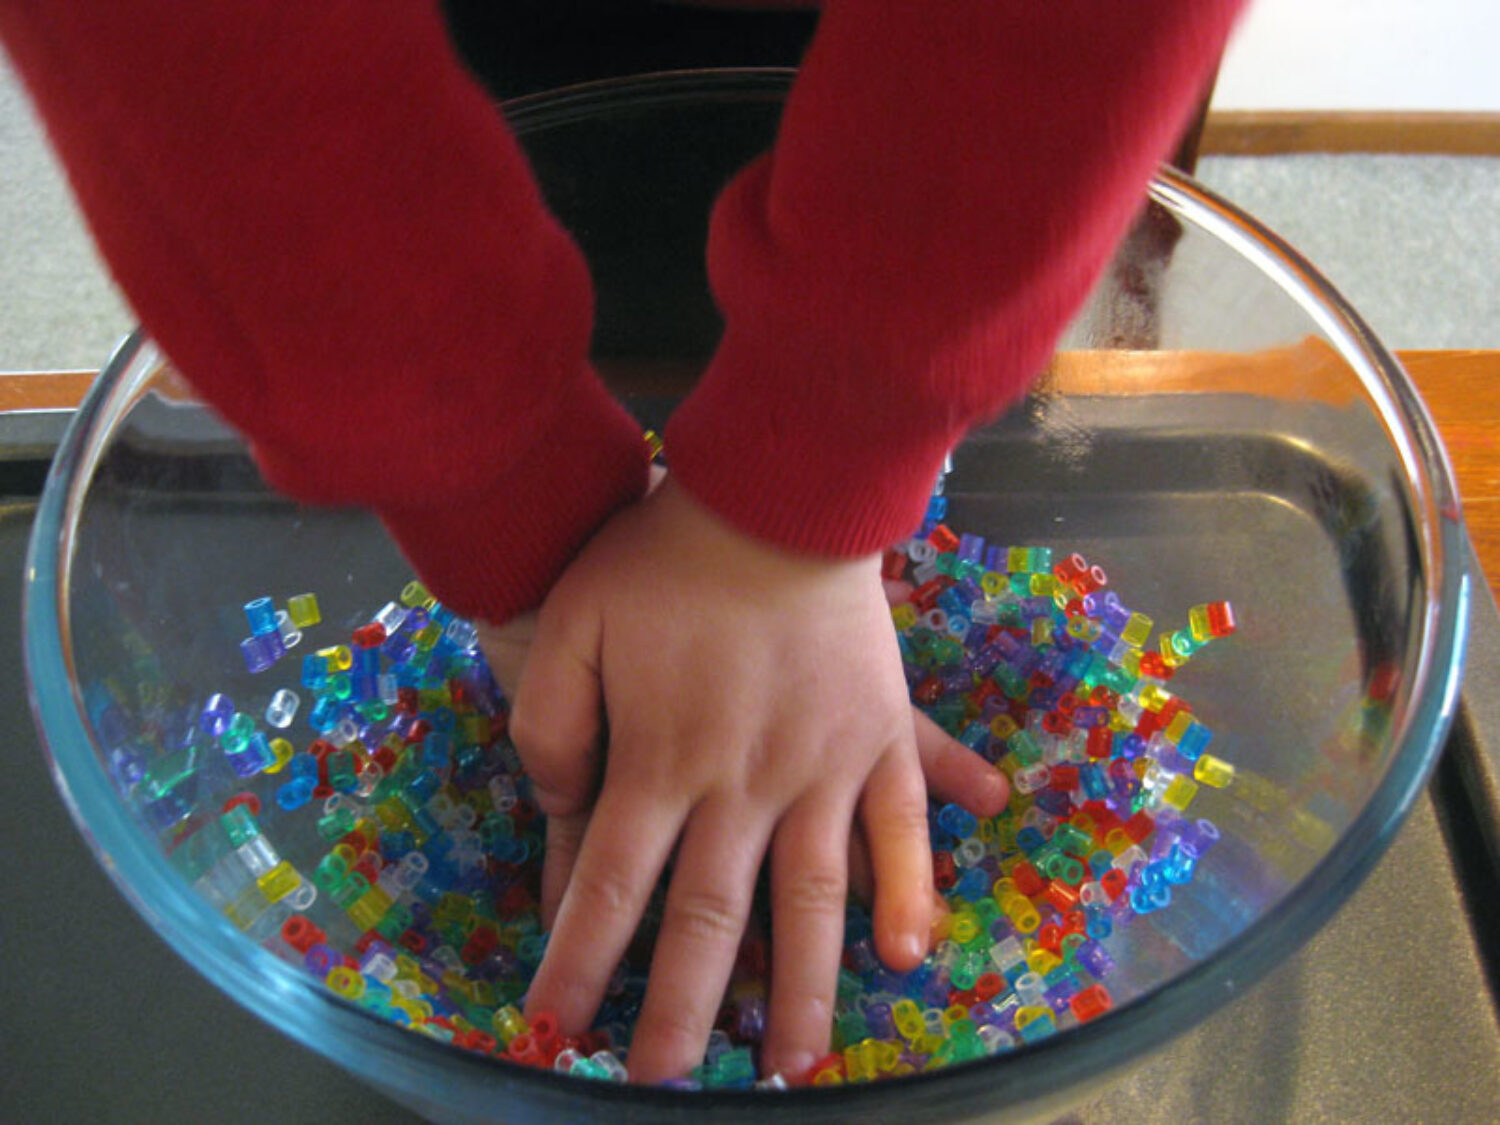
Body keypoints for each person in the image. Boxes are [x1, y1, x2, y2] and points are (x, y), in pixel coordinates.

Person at [0, 0, 1243, 1084]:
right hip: (385, 134)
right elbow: (196, 57)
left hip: (961, 136)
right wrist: (511, 501)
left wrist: (813, 477)